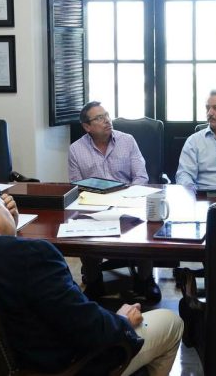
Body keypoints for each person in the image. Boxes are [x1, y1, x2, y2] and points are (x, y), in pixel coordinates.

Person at [0, 179, 183, 376]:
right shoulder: (34, 255)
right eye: (3, 205)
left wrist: (10, 235)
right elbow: (89, 328)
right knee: (170, 322)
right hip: (60, 367)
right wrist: (122, 321)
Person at [69, 101, 160, 303]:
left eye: (107, 115)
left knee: (147, 226)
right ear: (87, 126)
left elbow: (141, 176)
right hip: (95, 206)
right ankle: (94, 280)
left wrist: (127, 198)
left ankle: (146, 279)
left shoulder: (127, 141)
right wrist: (96, 203)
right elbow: (76, 186)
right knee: (82, 228)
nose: (107, 120)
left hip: (128, 202)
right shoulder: (76, 149)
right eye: (99, 118)